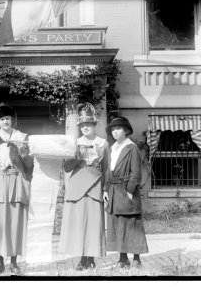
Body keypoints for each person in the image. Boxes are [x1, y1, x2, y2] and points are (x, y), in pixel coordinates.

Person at [0, 102, 34, 275]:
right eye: (2, 119)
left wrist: (22, 150)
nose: (5, 121)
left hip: (15, 181)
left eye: (8, 118)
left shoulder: (21, 137)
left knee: (14, 222)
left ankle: (14, 262)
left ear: (12, 120)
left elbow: (29, 164)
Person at [58, 103, 108, 270]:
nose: (85, 128)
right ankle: (81, 258)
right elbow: (66, 167)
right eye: (83, 125)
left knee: (93, 222)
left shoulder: (102, 143)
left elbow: (106, 168)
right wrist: (78, 157)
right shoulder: (75, 142)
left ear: (94, 125)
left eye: (88, 124)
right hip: (77, 184)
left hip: (95, 185)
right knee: (79, 222)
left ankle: (91, 258)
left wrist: (106, 189)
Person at [102, 117, 149, 269]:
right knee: (118, 225)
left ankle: (136, 259)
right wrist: (105, 189)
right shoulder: (111, 148)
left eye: (118, 129)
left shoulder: (131, 148)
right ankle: (123, 259)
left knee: (132, 224)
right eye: (113, 130)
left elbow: (136, 173)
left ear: (126, 131)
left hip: (126, 191)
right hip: (114, 192)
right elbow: (108, 172)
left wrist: (130, 191)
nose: (115, 132)